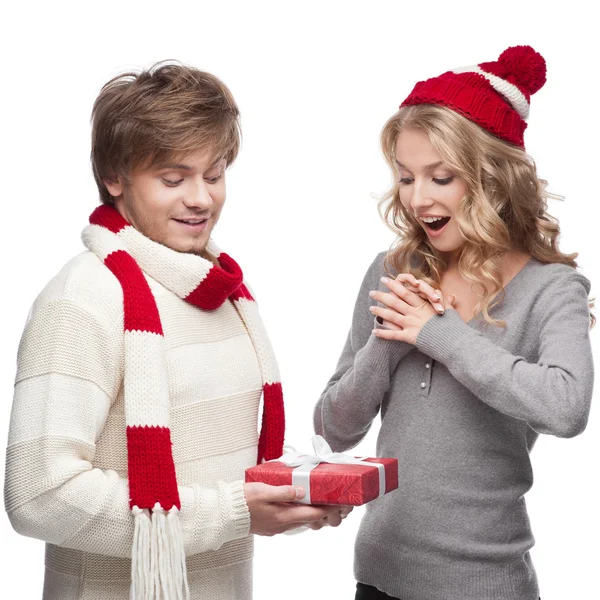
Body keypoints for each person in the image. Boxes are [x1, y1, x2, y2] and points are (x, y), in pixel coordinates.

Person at [4, 61, 345, 600]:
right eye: (173, 178)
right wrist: (234, 511)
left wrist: (296, 496)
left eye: (214, 175)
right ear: (115, 177)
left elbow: (223, 479)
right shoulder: (83, 299)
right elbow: (39, 495)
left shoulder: (220, 290)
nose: (202, 199)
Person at [314, 45, 595, 600]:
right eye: (406, 177)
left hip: (485, 586)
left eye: (441, 177)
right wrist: (388, 341)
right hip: (376, 577)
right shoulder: (392, 271)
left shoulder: (551, 289)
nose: (418, 199)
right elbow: (334, 427)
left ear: (494, 178)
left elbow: (567, 407)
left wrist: (435, 333)